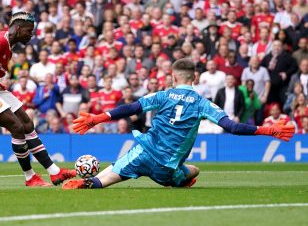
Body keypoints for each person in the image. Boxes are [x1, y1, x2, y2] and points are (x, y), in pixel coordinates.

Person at [62, 58, 294, 190]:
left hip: (142, 153)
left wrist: (96, 118)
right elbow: (233, 127)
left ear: (173, 78)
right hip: (166, 168)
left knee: (105, 179)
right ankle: (177, 182)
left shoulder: (163, 95)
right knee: (194, 171)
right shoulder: (203, 103)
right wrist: (268, 129)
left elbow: (131, 108)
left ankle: (89, 182)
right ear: (194, 78)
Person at [0, 11, 75, 187]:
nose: (31, 34)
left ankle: (54, 172)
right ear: (18, 28)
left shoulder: (9, 47)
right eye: (29, 30)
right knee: (16, 126)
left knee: (27, 123)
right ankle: (30, 177)